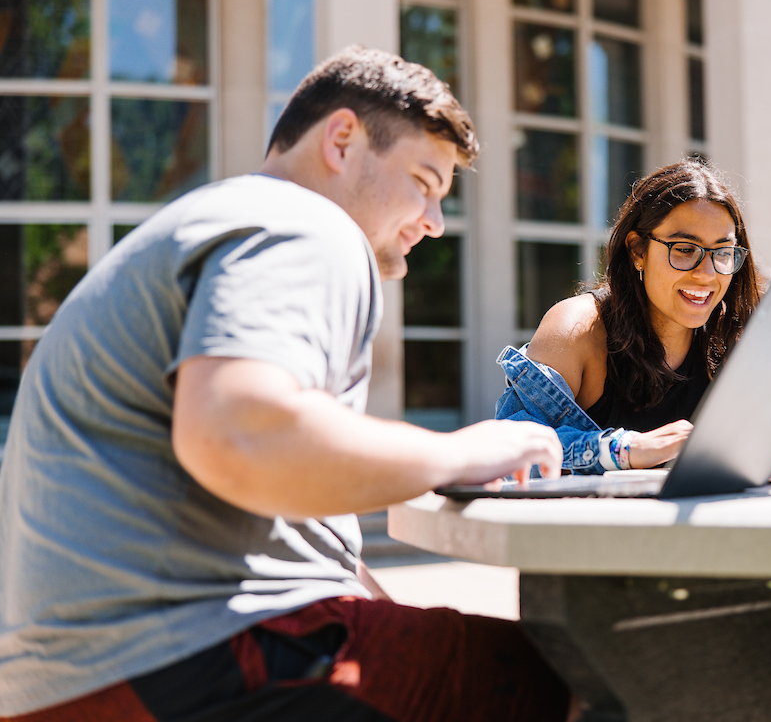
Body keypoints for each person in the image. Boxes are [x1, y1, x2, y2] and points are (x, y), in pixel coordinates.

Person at [0, 47, 573, 721]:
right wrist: (466, 451)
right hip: (183, 661)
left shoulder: (212, 224)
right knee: (590, 680)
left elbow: (292, 524)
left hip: (82, 680)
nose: (434, 221)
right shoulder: (305, 225)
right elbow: (240, 434)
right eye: (423, 181)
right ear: (341, 140)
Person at [496, 159, 763, 473]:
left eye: (723, 252)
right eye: (685, 249)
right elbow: (510, 451)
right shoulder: (578, 328)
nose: (707, 275)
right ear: (638, 251)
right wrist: (625, 450)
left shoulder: (737, 335)